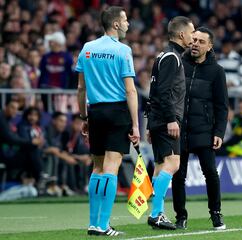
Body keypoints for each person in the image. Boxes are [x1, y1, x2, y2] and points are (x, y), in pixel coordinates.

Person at [75, 6, 140, 236]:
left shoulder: (87, 48)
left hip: (95, 112)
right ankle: (102, 225)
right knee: (111, 168)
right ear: (115, 24)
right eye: (125, 20)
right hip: (117, 112)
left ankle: (93, 223)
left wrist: (84, 116)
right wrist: (135, 124)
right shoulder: (123, 50)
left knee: (98, 167)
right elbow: (130, 91)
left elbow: (81, 88)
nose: (127, 24)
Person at [172, 27, 228, 230]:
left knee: (211, 173)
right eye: (194, 39)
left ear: (210, 46)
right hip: (179, 130)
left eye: (201, 41)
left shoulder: (217, 71)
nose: (195, 44)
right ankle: (180, 217)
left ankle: (216, 213)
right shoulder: (179, 64)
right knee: (178, 175)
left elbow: (222, 106)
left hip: (204, 130)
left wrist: (219, 132)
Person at [146, 16, 194, 230]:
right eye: (192, 34)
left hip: (158, 120)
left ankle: (157, 213)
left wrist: (151, 122)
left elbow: (153, 90)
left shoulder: (163, 56)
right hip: (166, 120)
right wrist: (171, 119)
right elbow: (163, 92)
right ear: (182, 34)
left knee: (159, 167)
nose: (193, 38)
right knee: (173, 164)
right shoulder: (172, 58)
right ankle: (156, 213)